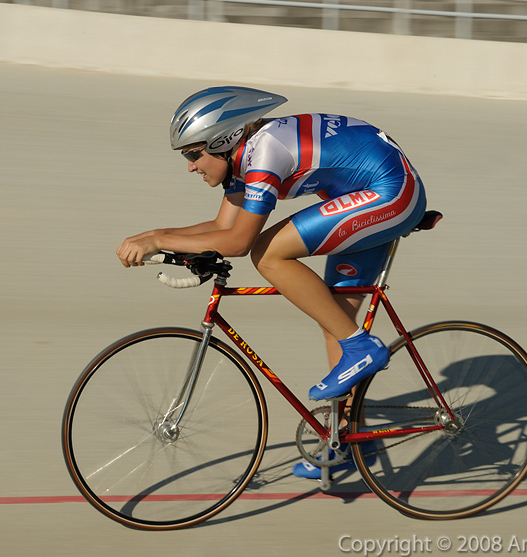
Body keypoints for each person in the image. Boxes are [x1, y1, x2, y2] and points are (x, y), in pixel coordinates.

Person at [116, 86, 426, 477]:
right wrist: (156, 235)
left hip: (389, 194)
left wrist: (159, 240)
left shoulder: (265, 154)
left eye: (194, 155)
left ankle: (362, 348)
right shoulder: (243, 157)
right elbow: (221, 226)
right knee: (333, 316)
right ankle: (342, 438)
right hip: (366, 192)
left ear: (223, 140)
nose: (191, 166)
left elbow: (239, 242)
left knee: (268, 252)